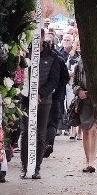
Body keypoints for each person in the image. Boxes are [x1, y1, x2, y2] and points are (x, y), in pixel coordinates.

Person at [20, 31, 62, 179]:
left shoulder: (52, 57)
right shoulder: (25, 54)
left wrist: (40, 94)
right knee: (26, 132)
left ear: (43, 38)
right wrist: (28, 93)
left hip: (44, 101)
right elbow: (21, 75)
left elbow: (54, 80)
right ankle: (25, 166)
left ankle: (36, 167)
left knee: (40, 133)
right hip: (26, 99)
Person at [73, 56, 97, 173]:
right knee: (86, 130)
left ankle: (92, 162)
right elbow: (74, 83)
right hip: (84, 101)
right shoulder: (79, 62)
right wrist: (79, 91)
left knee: (94, 130)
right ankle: (88, 161)